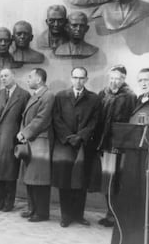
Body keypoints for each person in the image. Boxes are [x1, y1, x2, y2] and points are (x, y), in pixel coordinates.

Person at [52, 67, 100, 227]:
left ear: (86, 79)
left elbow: (95, 121)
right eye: (75, 77)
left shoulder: (93, 98)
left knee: (81, 181)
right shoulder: (60, 96)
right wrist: (69, 137)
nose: (78, 81)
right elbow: (56, 119)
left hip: (83, 144)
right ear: (71, 78)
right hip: (65, 144)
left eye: (81, 78)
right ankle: (66, 216)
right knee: (65, 181)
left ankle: (79, 215)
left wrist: (80, 136)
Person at [94, 65, 136, 227]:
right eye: (111, 78)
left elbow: (129, 123)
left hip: (118, 145)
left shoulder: (130, 96)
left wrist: (121, 143)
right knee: (107, 179)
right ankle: (110, 213)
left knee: (116, 180)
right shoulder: (103, 94)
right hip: (104, 144)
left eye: (117, 78)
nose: (113, 81)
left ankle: (116, 215)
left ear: (124, 79)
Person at [0, 68, 30, 211]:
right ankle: (0, 201)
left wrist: (22, 136)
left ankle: (9, 202)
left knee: (10, 173)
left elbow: (26, 119)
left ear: (13, 76)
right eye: (1, 76)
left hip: (11, 139)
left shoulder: (23, 95)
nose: (3, 78)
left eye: (6, 76)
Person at [17, 68, 55, 222]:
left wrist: (24, 133)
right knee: (30, 178)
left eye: (30, 77)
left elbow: (42, 119)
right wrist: (24, 134)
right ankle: (32, 209)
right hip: (32, 141)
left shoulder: (47, 95)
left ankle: (42, 213)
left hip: (41, 141)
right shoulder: (37, 95)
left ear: (39, 79)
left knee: (39, 180)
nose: (28, 80)